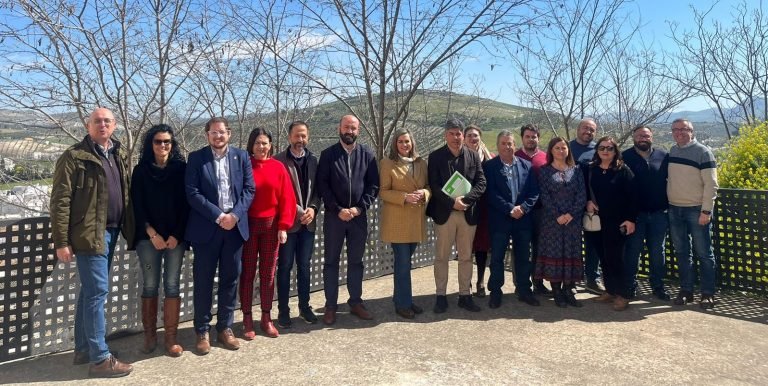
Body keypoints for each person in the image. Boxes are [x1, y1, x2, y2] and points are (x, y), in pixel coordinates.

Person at [50, 108, 134, 377]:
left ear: (114, 125)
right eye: (97, 121)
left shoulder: (116, 153)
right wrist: (61, 241)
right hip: (89, 235)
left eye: (107, 121)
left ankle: (84, 348)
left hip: (111, 231)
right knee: (97, 293)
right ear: (87, 126)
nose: (102, 125)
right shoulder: (73, 157)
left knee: (89, 293)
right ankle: (100, 360)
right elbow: (60, 202)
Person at [185, 117, 255, 354]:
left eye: (222, 132)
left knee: (230, 279)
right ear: (207, 135)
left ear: (229, 134)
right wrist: (218, 216)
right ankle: (202, 331)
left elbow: (249, 190)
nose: (218, 136)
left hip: (234, 229)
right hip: (207, 229)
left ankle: (225, 327)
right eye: (213, 132)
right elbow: (192, 193)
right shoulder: (196, 158)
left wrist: (234, 215)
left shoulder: (241, 157)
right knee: (203, 280)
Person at [129, 124, 188, 357]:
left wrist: (176, 235)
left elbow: (186, 206)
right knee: (150, 284)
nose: (163, 145)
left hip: (176, 239)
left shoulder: (181, 170)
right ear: (149, 144)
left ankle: (170, 338)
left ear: (172, 145)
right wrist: (152, 233)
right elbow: (136, 206)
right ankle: (150, 336)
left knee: (172, 284)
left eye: (167, 142)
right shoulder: (140, 171)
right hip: (148, 239)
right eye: (158, 141)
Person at [316, 114, 380, 325]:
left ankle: (355, 302)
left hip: (358, 218)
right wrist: (337, 209)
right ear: (339, 129)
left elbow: (373, 186)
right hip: (335, 218)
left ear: (358, 131)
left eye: (353, 128)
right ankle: (331, 306)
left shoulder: (367, 155)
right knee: (331, 263)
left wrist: (359, 208)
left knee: (356, 262)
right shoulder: (328, 155)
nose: (349, 131)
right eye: (346, 127)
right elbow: (322, 185)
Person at [239, 128, 296, 339]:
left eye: (264, 143)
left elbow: (287, 198)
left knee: (268, 274)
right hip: (248, 225)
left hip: (271, 226)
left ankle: (266, 317)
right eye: (257, 143)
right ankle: (246, 318)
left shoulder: (278, 167)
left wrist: (283, 226)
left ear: (270, 145)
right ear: (250, 145)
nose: (261, 147)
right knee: (247, 273)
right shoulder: (244, 166)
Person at [426, 118, 487, 313]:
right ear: (445, 135)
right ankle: (441, 295)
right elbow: (434, 186)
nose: (455, 137)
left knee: (466, 257)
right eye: (451, 133)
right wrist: (453, 202)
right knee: (442, 257)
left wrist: (466, 201)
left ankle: (464, 295)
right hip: (445, 214)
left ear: (463, 135)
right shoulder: (435, 157)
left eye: (458, 133)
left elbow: (481, 183)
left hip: (468, 214)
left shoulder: (472, 156)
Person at [484, 130, 540, 308]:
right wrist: (510, 209)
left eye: (510, 143)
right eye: (503, 143)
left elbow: (534, 192)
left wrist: (523, 208)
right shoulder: (490, 167)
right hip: (500, 219)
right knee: (497, 258)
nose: (507, 147)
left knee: (524, 257)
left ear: (515, 145)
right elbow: (490, 193)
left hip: (523, 220)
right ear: (498, 146)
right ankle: (495, 291)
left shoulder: (527, 166)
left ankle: (524, 290)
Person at [667, 118, 719, 309]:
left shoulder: (703, 152)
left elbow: (711, 184)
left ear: (692, 131)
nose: (679, 132)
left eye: (683, 129)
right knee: (682, 253)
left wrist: (706, 211)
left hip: (697, 210)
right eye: (675, 129)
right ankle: (686, 290)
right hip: (674, 209)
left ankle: (707, 293)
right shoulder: (672, 151)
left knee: (704, 253)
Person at [379, 128, 431, 319]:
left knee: (406, 262)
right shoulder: (387, 163)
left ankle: (401, 298)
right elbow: (383, 191)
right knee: (403, 264)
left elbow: (428, 187)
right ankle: (403, 304)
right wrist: (404, 197)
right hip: (397, 221)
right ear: (395, 144)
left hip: (416, 220)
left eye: (407, 141)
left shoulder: (421, 162)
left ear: (412, 143)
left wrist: (424, 194)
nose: (404, 145)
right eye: (400, 142)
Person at [274, 121, 321, 328]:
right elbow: (278, 193)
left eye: (303, 136)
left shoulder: (313, 160)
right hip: (287, 224)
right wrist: (299, 210)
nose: (300, 140)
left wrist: (313, 208)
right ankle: (283, 311)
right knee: (284, 267)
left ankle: (305, 306)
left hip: (308, 225)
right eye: (296, 136)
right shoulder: (279, 161)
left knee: (304, 266)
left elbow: (318, 190)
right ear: (289, 137)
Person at [584, 136, 637, 311]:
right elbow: (583, 190)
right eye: (602, 148)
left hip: (617, 222)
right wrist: (588, 202)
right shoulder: (591, 169)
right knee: (603, 257)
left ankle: (622, 295)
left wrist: (630, 219)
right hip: (597, 221)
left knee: (615, 258)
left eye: (609, 148)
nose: (605, 151)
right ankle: (610, 290)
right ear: (597, 151)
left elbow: (633, 197)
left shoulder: (623, 170)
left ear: (615, 151)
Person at [533, 137, 586, 308]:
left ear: (568, 150)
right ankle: (556, 290)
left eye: (564, 147)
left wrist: (571, 214)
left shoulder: (576, 170)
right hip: (552, 221)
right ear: (551, 150)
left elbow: (581, 194)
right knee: (555, 254)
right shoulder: (545, 171)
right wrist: (557, 215)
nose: (561, 151)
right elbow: (544, 196)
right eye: (557, 148)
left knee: (571, 253)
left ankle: (569, 290)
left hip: (573, 221)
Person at [622, 125, 671, 300]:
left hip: (659, 213)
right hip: (635, 215)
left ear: (652, 137)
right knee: (632, 252)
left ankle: (658, 286)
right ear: (633, 137)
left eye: (646, 135)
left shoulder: (663, 156)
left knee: (658, 252)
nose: (643, 138)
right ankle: (630, 286)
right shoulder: (624, 157)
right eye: (639, 135)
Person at [514, 124, 551, 296]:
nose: (531, 139)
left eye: (534, 136)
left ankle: (538, 282)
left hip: (541, 211)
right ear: (522, 138)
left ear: (538, 138)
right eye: (527, 136)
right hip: (520, 211)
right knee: (521, 249)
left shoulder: (546, 157)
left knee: (539, 248)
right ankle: (520, 283)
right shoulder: (514, 156)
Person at [569, 118, 603, 294]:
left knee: (593, 243)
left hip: (592, 205)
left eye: (592, 130)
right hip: (570, 204)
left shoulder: (599, 150)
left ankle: (592, 279)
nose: (588, 132)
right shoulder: (566, 148)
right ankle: (572, 279)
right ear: (578, 129)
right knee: (572, 243)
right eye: (585, 128)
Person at [463, 124, 494, 297]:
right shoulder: (459, 158)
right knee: (466, 246)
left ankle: (480, 281)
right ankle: (465, 282)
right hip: (465, 207)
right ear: (464, 139)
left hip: (484, 208)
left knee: (482, 247)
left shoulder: (490, 159)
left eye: (475, 136)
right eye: (469, 136)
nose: (473, 139)